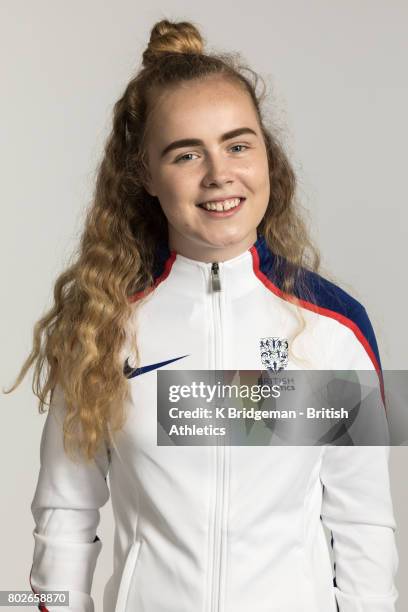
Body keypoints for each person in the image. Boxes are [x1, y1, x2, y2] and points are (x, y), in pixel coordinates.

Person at [4, 18, 398, 612]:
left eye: (239, 145)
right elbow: (63, 513)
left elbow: (364, 523)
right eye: (186, 154)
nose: (220, 174)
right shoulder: (99, 326)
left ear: (268, 155)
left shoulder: (335, 327)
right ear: (145, 176)